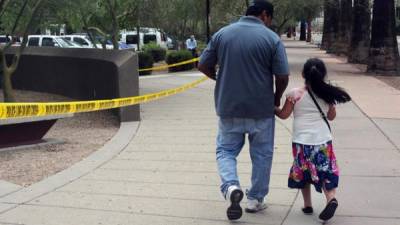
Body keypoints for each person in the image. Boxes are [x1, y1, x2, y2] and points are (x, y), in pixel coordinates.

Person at [198, 0, 289, 220]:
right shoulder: (271, 39)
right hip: (261, 110)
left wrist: (219, 78)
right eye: (270, 18)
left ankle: (230, 187)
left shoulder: (223, 34)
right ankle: (255, 199)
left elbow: (202, 64)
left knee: (226, 151)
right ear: (265, 15)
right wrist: (275, 98)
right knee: (262, 156)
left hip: (229, 107)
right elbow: (283, 76)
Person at [275, 58, 351, 221]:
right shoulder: (327, 93)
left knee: (304, 171)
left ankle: (307, 205)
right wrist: (329, 104)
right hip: (323, 140)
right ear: (323, 74)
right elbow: (331, 117)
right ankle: (331, 199)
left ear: (303, 74)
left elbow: (284, 115)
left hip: (302, 141)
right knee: (325, 171)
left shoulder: (294, 94)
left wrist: (273, 108)